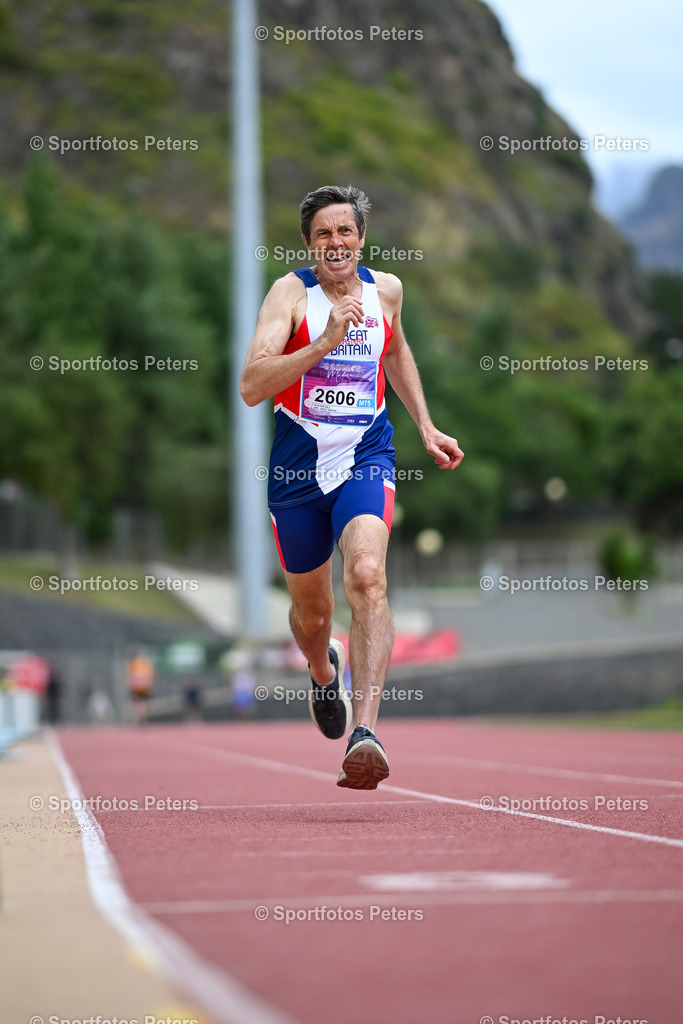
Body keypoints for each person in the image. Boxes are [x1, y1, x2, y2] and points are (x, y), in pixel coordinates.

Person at [240, 184, 463, 790]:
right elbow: (252, 385)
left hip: (366, 456)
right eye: (323, 234)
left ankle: (365, 733)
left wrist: (426, 425)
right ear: (308, 243)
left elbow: (396, 351)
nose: (335, 243)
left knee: (367, 576)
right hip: (297, 472)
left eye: (345, 231)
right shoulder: (290, 294)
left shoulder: (386, 290)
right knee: (314, 616)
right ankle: (322, 670)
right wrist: (322, 344)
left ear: (361, 239)